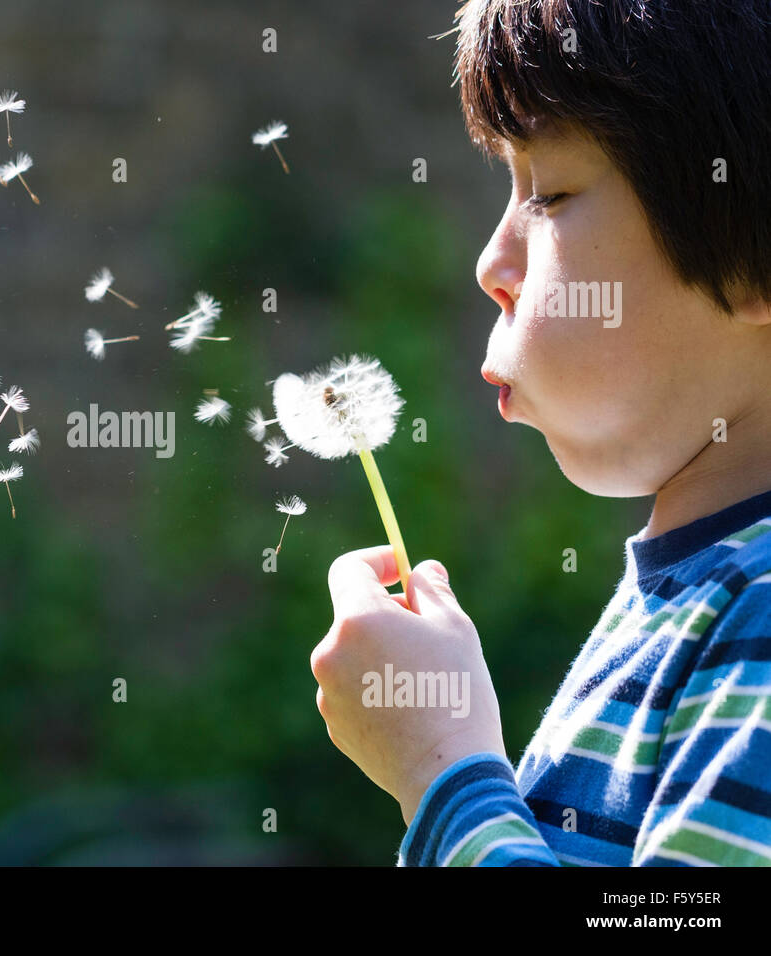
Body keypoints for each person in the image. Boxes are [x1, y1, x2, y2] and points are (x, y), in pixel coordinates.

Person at [312, 0, 771, 865]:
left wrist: (445, 774)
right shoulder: (703, 592)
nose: (491, 264)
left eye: (550, 194)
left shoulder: (761, 615)